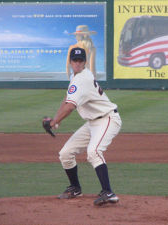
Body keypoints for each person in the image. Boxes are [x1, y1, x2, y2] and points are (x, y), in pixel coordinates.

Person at [50, 47, 122, 206]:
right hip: (92, 123)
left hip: (107, 119)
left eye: (80, 60)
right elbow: (68, 98)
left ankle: (108, 192)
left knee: (94, 151)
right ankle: (75, 188)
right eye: (74, 60)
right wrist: (56, 118)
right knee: (65, 153)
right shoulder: (76, 76)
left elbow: (70, 106)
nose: (77, 63)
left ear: (84, 62)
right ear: (70, 62)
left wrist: (54, 122)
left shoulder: (82, 78)